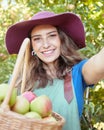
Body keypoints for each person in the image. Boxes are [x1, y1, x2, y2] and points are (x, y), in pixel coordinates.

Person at [5, 11, 104, 130]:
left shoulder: (77, 73)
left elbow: (99, 62)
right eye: (37, 39)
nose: (45, 44)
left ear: (61, 39)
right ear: (31, 46)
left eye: (52, 35)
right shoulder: (19, 80)